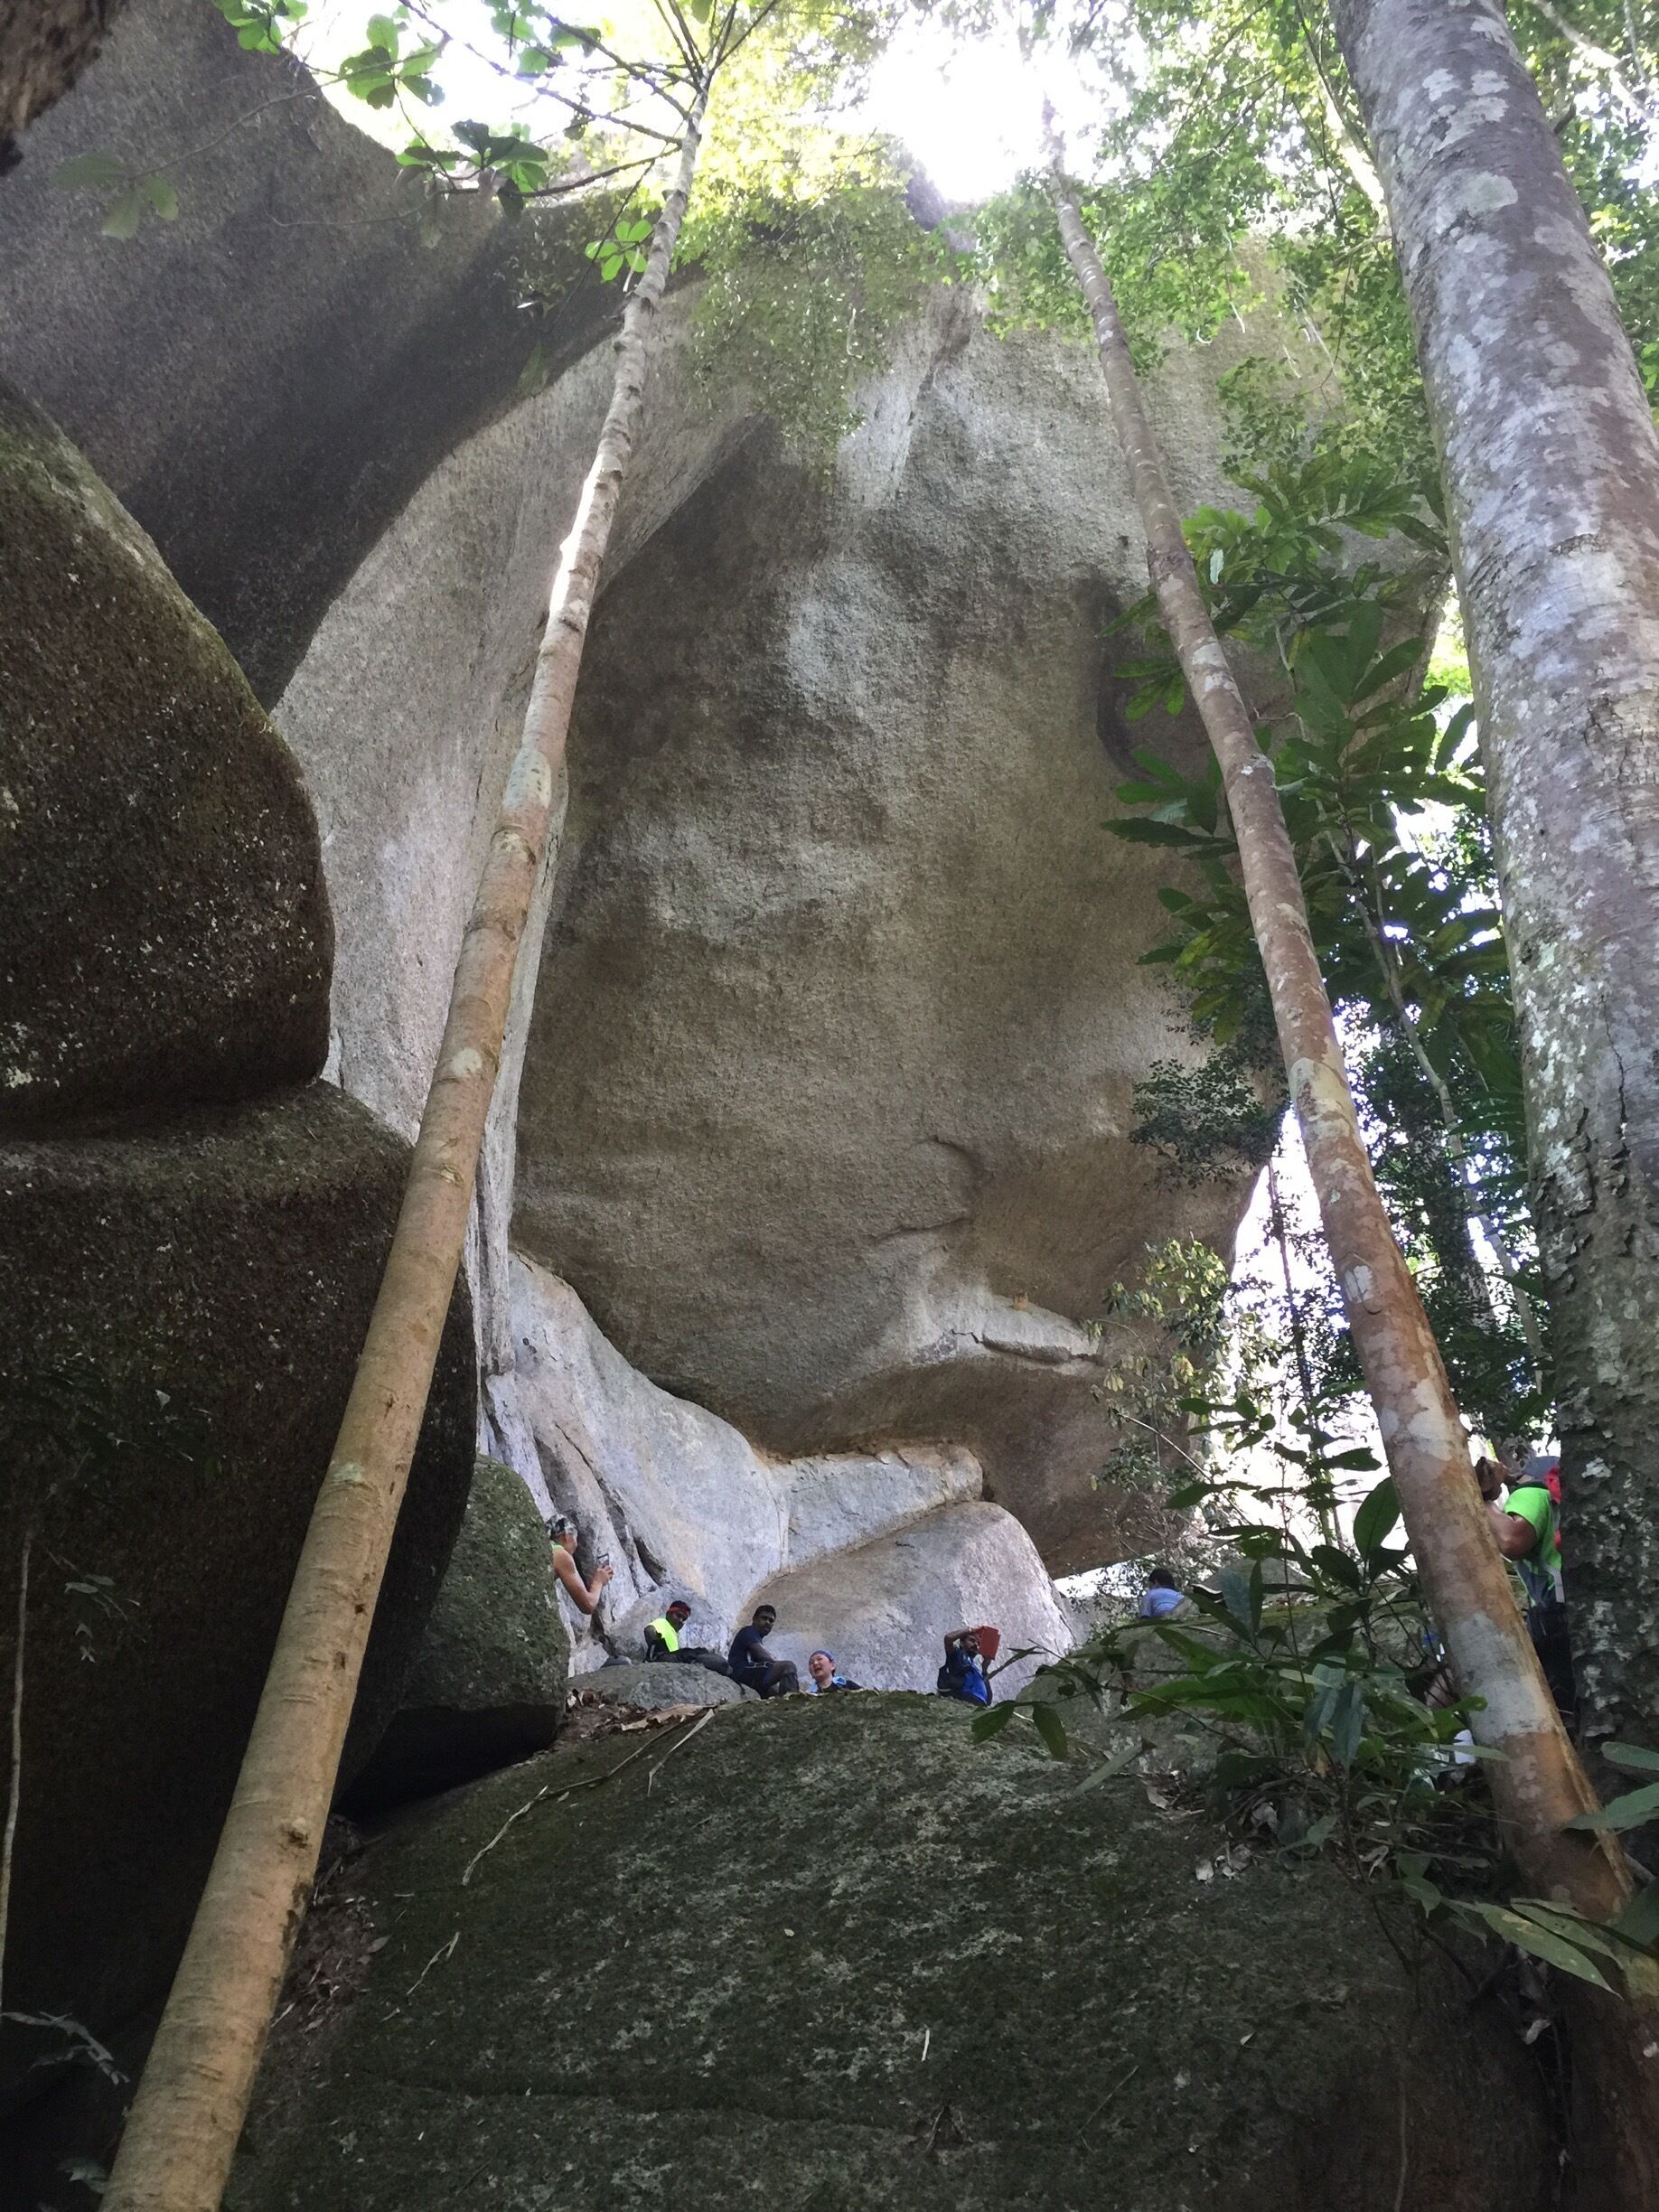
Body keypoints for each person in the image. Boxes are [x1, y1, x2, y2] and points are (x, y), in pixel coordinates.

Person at [1476, 1449, 1573, 1722]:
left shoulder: (1531, 1492)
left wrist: (1482, 1500)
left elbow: (1511, 1540)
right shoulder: (1566, 1505)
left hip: (1553, 1616)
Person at [643, 1598, 733, 1677]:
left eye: (684, 1619)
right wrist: (657, 1652)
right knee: (694, 1653)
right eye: (678, 1616)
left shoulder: (672, 1632)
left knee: (697, 1652)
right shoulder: (663, 1622)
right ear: (668, 1614)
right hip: (663, 1657)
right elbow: (649, 1630)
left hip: (670, 1657)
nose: (681, 1620)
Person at [548, 1514, 613, 1617]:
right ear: (566, 1536)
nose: (575, 1549)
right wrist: (598, 1581)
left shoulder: (546, 1548)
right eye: (575, 1540)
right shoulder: (561, 1555)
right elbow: (588, 1605)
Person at [727, 1605, 801, 1697]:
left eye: (771, 1621)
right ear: (754, 1619)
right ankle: (793, 1701)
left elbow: (761, 1664)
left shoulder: (757, 1638)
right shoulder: (749, 1632)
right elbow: (764, 1657)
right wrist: (778, 1668)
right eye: (764, 1618)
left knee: (775, 1692)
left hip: (748, 1673)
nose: (767, 1622)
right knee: (788, 1666)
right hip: (741, 1671)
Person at [937, 1626, 997, 1706]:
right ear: (962, 1643)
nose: (975, 1644)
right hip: (965, 1699)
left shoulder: (977, 1669)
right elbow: (948, 1639)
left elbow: (988, 1700)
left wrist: (985, 1669)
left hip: (979, 1705)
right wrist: (970, 1630)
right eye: (972, 1640)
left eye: (978, 1643)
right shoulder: (957, 1656)